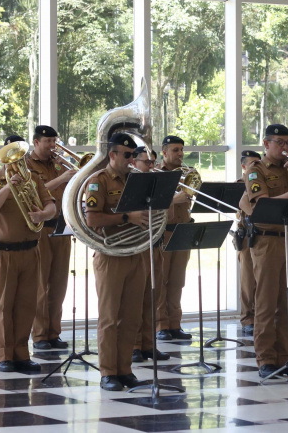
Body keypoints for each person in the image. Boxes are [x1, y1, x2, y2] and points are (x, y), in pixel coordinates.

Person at [241, 124, 288, 379]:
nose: (286, 148)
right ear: (266, 144)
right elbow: (262, 203)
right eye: (280, 143)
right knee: (266, 302)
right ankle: (266, 359)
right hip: (267, 241)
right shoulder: (256, 171)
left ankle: (286, 357)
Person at [0, 137, 56, 372]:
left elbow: (51, 205)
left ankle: (22, 354)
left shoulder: (33, 179)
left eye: (21, 156)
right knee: (4, 305)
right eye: (14, 157)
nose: (19, 161)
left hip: (30, 250)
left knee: (26, 305)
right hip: (3, 253)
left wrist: (43, 215)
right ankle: (4, 355)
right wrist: (8, 187)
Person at [83, 133, 149, 391]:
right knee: (110, 318)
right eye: (126, 155)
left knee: (131, 317)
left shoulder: (136, 180)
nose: (131, 159)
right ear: (112, 155)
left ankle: (125, 369)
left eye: (133, 155)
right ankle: (108, 372)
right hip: (110, 255)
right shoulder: (98, 182)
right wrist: (126, 218)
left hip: (136, 252)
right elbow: (92, 219)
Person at [26, 125, 76, 350]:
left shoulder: (59, 163)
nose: (53, 146)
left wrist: (74, 178)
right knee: (40, 284)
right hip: (40, 229)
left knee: (58, 284)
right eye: (48, 142)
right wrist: (63, 177)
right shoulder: (26, 164)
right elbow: (33, 191)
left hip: (62, 227)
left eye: (55, 141)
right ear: (36, 142)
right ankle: (39, 335)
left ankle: (53, 332)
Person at [130, 147, 171, 363]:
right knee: (137, 297)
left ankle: (148, 344)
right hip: (138, 246)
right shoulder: (130, 183)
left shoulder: (156, 182)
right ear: (134, 162)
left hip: (155, 244)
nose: (151, 166)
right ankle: (135, 345)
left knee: (153, 296)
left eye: (153, 162)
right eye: (147, 162)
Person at [155, 135, 194, 341]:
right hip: (164, 231)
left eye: (181, 150)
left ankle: (175, 323)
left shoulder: (185, 174)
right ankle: (161, 324)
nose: (180, 154)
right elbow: (155, 203)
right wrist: (176, 199)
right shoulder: (156, 174)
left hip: (182, 231)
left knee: (178, 280)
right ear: (164, 152)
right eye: (175, 150)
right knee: (161, 279)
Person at [237, 149, 261, 336]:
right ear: (244, 166)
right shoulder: (240, 185)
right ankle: (247, 319)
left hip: (263, 235)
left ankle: (261, 317)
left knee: (263, 280)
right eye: (253, 164)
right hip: (247, 235)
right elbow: (239, 211)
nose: (256, 167)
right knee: (248, 280)